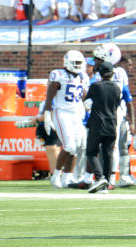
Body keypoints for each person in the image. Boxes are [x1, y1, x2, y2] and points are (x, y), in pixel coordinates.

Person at [43, 50, 89, 189]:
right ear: (68, 62)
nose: (79, 66)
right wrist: (46, 114)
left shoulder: (83, 77)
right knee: (69, 146)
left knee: (78, 147)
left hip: (76, 113)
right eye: (76, 63)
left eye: (80, 63)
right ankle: (56, 175)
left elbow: (84, 96)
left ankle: (67, 177)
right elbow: (50, 96)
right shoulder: (58, 74)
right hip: (62, 112)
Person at [85, 62, 122, 194]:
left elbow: (87, 103)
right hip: (112, 123)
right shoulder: (117, 88)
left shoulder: (95, 86)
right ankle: (106, 183)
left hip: (97, 123)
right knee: (108, 154)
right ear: (112, 73)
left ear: (100, 73)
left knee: (91, 152)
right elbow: (117, 105)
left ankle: (100, 178)